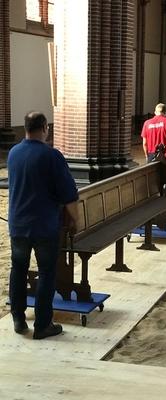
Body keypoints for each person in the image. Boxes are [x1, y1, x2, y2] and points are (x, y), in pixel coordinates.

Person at [8, 111, 79, 339]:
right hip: (44, 226)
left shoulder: (13, 153)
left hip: (18, 223)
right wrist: (76, 220)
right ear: (45, 128)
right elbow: (69, 195)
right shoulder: (52, 156)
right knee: (47, 272)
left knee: (18, 269)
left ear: (26, 128)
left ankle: (19, 319)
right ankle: (43, 324)